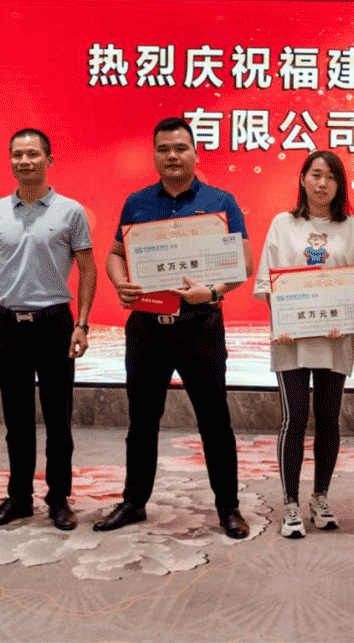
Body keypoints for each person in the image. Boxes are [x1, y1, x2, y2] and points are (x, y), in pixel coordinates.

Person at [97, 117, 252, 539]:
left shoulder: (221, 202)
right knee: (141, 422)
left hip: (200, 326)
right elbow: (115, 255)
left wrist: (212, 291)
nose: (172, 156)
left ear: (195, 154)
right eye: (163, 149)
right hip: (147, 328)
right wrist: (120, 282)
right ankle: (134, 502)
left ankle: (229, 508)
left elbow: (244, 263)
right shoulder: (137, 203)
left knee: (215, 422)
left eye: (180, 148)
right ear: (154, 155)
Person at [0, 129, 97, 532]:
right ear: (10, 160)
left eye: (32, 154)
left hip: (55, 324)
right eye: (17, 155)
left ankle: (59, 498)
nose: (24, 161)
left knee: (59, 420)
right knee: (17, 421)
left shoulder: (70, 211)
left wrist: (82, 324)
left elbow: (88, 270)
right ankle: (19, 498)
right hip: (8, 325)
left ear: (49, 160)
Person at [254, 150, 354, 539]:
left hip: (335, 337)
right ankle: (290, 502)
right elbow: (268, 280)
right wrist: (282, 318)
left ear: (339, 185)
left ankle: (320, 497)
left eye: (330, 177)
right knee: (295, 418)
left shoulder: (353, 226)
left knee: (329, 418)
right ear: (302, 179)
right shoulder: (282, 224)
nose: (322, 183)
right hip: (291, 339)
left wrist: (344, 319)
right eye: (316, 175)